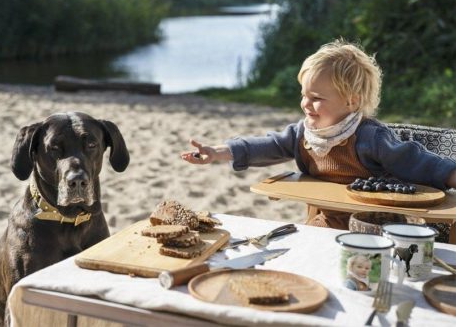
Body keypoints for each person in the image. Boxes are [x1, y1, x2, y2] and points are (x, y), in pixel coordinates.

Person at [181, 39, 456, 230]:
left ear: (351, 102)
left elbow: (415, 160)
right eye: (304, 95)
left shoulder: (370, 138)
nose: (305, 104)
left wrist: (451, 174)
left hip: (374, 224)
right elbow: (269, 145)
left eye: (316, 98)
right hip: (328, 218)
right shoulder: (304, 134)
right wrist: (219, 151)